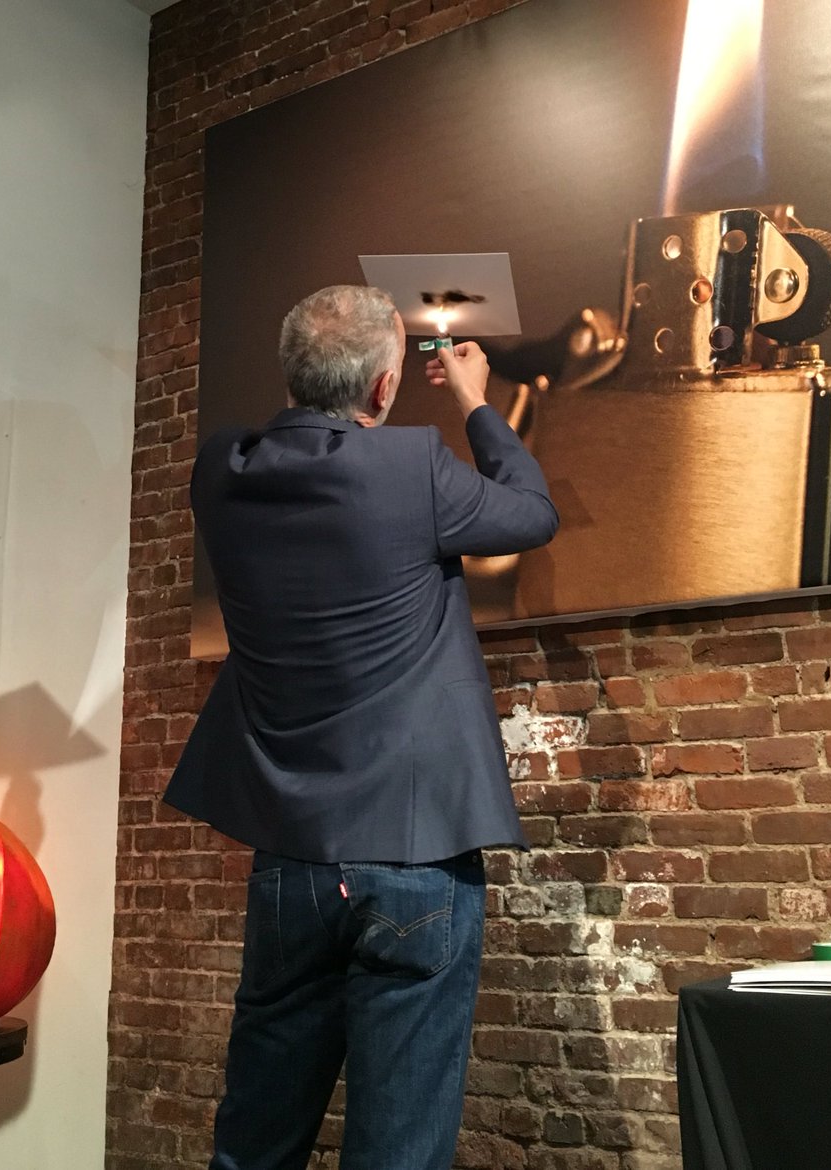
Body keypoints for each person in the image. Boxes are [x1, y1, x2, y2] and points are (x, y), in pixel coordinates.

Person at [164, 284, 559, 1170]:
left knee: (255, 1146)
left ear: (291, 374)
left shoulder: (222, 469)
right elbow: (533, 513)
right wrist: (475, 402)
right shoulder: (411, 467)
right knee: (397, 1153)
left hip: (291, 858)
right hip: (415, 856)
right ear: (385, 387)